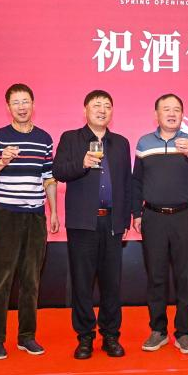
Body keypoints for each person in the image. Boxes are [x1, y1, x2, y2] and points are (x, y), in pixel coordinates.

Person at [0, 84, 59, 360]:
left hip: (35, 216)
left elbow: (48, 177)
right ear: (8, 107)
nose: (22, 107)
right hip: (5, 216)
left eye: (26, 101)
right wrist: (2, 161)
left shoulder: (44, 138)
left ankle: (26, 336)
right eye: (16, 102)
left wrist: (53, 212)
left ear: (33, 104)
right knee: (1, 280)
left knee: (31, 279)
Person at [53, 90, 132, 360]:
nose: (102, 110)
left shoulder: (120, 143)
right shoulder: (71, 138)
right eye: (96, 105)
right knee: (82, 282)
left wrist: (125, 218)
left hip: (112, 222)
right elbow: (58, 171)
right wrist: (82, 163)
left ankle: (111, 335)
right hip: (82, 223)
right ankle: (85, 336)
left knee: (112, 283)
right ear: (85, 110)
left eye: (107, 106)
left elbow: (126, 182)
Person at [132, 93, 188, 354]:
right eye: (166, 109)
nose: (172, 113)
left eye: (177, 109)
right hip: (153, 216)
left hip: (184, 216)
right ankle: (158, 330)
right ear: (156, 114)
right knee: (156, 275)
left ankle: (184, 333)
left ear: (182, 115)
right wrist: (136, 213)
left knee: (185, 276)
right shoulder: (144, 143)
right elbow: (136, 181)